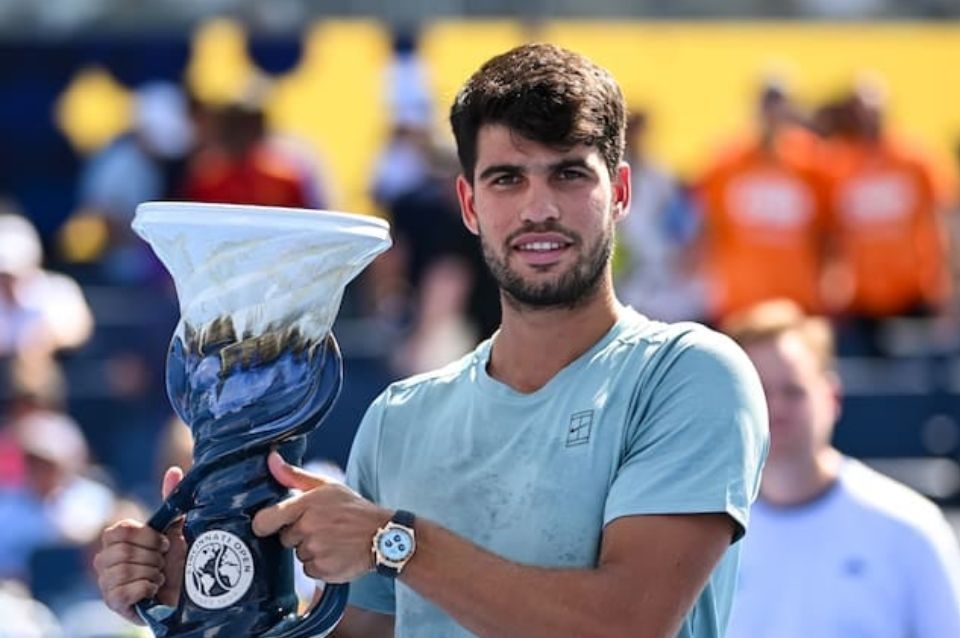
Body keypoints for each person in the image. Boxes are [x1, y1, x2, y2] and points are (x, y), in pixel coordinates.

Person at [93, 43, 769, 637]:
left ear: (619, 192)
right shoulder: (400, 418)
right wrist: (204, 591)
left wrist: (397, 542)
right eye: (507, 178)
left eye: (569, 173)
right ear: (469, 204)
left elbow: (625, 626)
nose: (538, 208)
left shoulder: (692, 374)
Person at [721, 299, 960, 637]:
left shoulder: (910, 528)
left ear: (832, 396)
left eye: (793, 391)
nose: (776, 408)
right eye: (759, 393)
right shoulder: (703, 539)